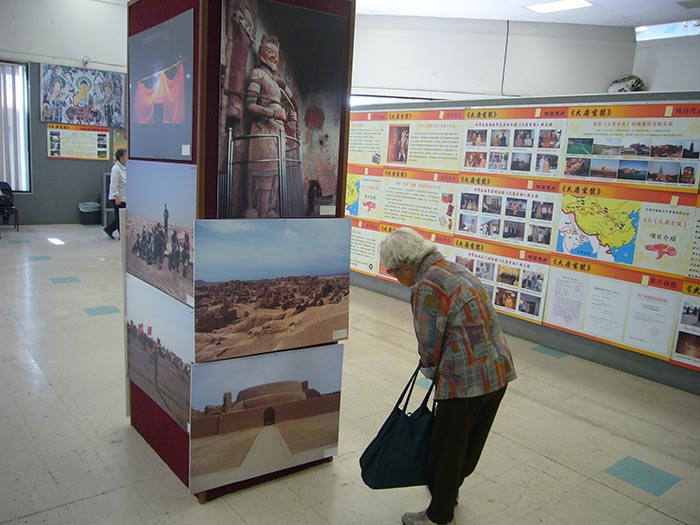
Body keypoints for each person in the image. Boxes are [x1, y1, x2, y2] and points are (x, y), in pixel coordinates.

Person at [379, 228, 516, 525]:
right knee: (467, 444)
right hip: (497, 371)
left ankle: (439, 515)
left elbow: (430, 344)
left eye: (392, 271)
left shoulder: (427, 285)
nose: (394, 277)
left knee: (446, 450)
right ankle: (449, 495)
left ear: (405, 265)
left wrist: (430, 372)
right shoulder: (454, 269)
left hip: (466, 380)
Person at [104, 148, 127, 239]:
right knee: (120, 218)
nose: (127, 157)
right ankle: (122, 235)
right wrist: (116, 196)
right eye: (126, 156)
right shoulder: (116, 169)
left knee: (121, 217)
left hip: (125, 196)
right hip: (118, 197)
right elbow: (114, 184)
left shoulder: (125, 168)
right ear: (121, 157)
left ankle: (109, 229)